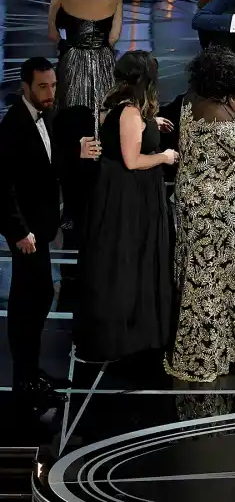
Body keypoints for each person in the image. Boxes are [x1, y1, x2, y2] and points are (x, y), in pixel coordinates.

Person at [0, 58, 98, 409]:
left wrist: (77, 153)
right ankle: (25, 381)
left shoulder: (46, 119)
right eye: (43, 86)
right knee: (28, 304)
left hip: (40, 229)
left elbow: (47, 163)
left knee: (39, 299)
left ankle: (32, 374)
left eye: (53, 85)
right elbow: (3, 187)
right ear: (26, 86)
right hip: (27, 235)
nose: (50, 92)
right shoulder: (13, 126)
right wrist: (19, 232)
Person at [165, 47, 235, 382]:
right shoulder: (224, 115)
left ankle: (214, 350)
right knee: (223, 276)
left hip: (192, 203)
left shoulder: (190, 100)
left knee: (199, 274)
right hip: (219, 213)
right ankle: (216, 354)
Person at [75, 51, 177, 362]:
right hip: (130, 196)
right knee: (131, 258)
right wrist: (165, 157)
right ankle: (132, 334)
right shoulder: (130, 112)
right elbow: (133, 160)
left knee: (119, 258)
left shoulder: (115, 105)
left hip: (115, 192)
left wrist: (150, 124)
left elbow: (123, 134)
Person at [47, 0, 121, 114]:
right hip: (105, 60)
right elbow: (114, 36)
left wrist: (66, 47)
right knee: (104, 112)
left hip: (72, 60)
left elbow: (51, 33)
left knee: (72, 114)